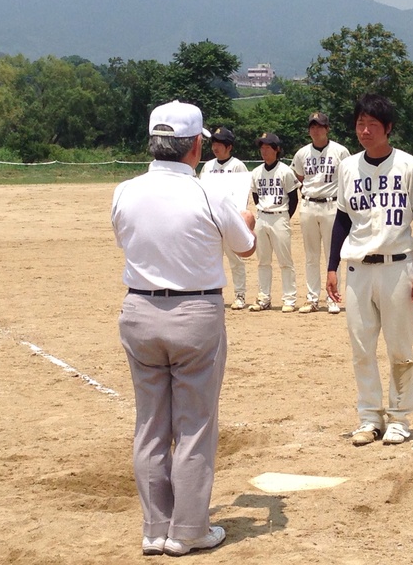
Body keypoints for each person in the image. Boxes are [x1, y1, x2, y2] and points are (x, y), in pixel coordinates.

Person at [111, 100, 256, 556]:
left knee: (150, 424)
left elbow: (128, 240)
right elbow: (246, 247)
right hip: (195, 313)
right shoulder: (208, 193)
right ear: (195, 145)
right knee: (194, 424)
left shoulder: (125, 191)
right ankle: (188, 529)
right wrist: (247, 220)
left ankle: (156, 528)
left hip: (139, 310)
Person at [326, 93, 413, 446]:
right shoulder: (347, 167)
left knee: (400, 347)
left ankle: (400, 417)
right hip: (358, 268)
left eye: (373, 124)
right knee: (361, 347)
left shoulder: (409, 166)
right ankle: (369, 417)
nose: (365, 130)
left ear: (388, 128)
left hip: (397, 267)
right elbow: (342, 219)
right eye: (360, 123)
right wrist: (332, 267)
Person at [291, 112, 351, 314]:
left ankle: (333, 298)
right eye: (312, 126)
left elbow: (347, 177)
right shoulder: (302, 153)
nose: (316, 130)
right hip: (308, 205)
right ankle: (312, 298)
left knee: (332, 254)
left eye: (320, 126)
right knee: (311, 255)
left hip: (332, 205)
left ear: (327, 129)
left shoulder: (340, 151)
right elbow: (300, 177)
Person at [199, 126, 250, 310]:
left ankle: (240, 295)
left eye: (220, 143)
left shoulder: (237, 166)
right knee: (212, 259)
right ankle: (213, 292)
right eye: (213, 143)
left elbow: (243, 193)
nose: (215, 147)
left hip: (231, 219)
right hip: (212, 220)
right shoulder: (207, 166)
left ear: (229, 146)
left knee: (235, 259)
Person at [249, 132, 300, 312]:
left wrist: (284, 216)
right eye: (261, 147)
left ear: (277, 149)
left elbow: (293, 198)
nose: (264, 151)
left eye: (268, 147)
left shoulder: (285, 171)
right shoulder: (256, 172)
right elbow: (256, 196)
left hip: (280, 215)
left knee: (285, 261)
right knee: (263, 261)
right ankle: (264, 298)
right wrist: (264, 210)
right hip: (262, 215)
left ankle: (289, 299)